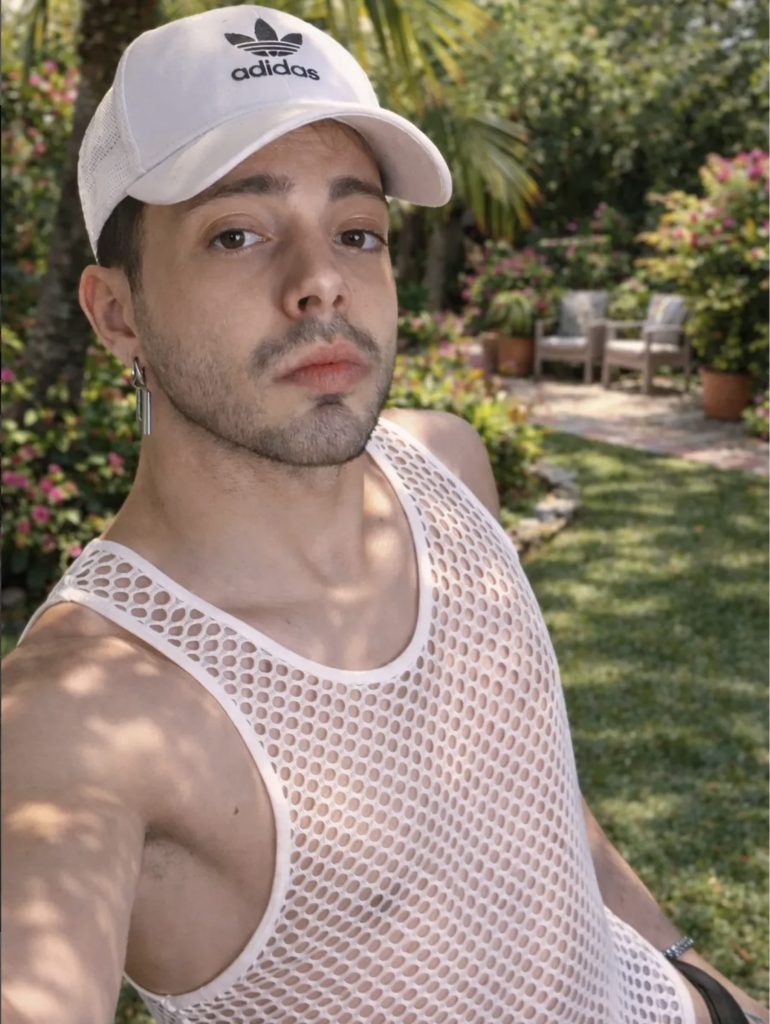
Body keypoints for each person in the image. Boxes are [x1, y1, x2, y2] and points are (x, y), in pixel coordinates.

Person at [2, 7, 766, 1024]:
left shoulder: (449, 465)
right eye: (238, 233)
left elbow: (528, 795)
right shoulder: (83, 714)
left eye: (356, 232)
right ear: (116, 312)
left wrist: (694, 970)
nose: (321, 281)